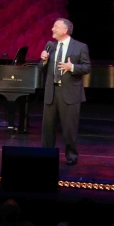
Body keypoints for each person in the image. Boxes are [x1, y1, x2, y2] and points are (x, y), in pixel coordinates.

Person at [40, 18, 90, 165]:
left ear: (65, 30)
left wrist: (72, 67)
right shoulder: (50, 46)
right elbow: (42, 68)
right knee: (48, 127)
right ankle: (47, 154)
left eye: (56, 27)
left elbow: (87, 67)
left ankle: (71, 155)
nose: (52, 29)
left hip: (69, 93)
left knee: (69, 127)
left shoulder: (80, 47)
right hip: (51, 92)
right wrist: (43, 60)